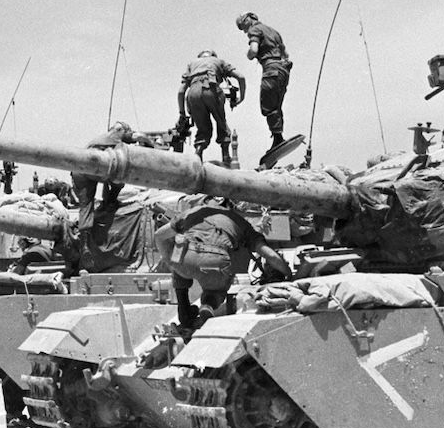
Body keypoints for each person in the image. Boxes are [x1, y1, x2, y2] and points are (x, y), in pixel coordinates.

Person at [156, 197, 291, 332]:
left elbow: (159, 235)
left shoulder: (193, 212)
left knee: (179, 262)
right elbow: (270, 255)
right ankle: (208, 304)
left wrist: (168, 259)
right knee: (215, 290)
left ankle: (184, 312)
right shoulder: (240, 222)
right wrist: (288, 274)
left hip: (186, 258)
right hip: (215, 262)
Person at [70, 122, 155, 232]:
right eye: (128, 131)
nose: (129, 133)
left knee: (86, 205)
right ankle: (110, 203)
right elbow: (140, 136)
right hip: (95, 166)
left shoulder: (102, 139)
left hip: (79, 170)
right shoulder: (117, 134)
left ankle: (84, 238)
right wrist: (151, 144)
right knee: (119, 177)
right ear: (121, 130)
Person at [236, 12, 293, 150]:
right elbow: (286, 54)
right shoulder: (274, 31)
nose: (245, 31)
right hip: (283, 71)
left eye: (243, 27)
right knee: (276, 105)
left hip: (271, 70)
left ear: (248, 20)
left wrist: (249, 55)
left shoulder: (254, 30)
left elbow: (253, 50)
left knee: (268, 105)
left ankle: (278, 139)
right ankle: (278, 137)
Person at [178, 49, 245, 162]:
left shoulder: (192, 64)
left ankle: (198, 155)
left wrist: (182, 114)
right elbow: (241, 77)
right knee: (221, 123)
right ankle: (225, 156)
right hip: (211, 89)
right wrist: (241, 98)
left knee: (203, 128)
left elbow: (181, 91)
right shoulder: (218, 61)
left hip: (193, 93)